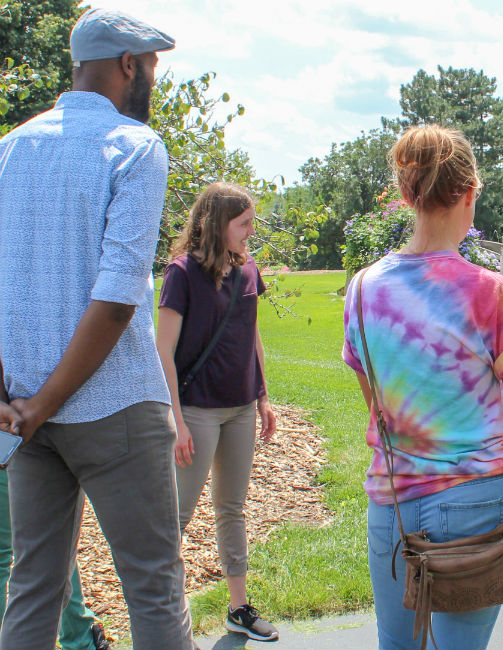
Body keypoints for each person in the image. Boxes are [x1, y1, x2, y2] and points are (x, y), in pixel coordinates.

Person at [0, 7, 194, 649]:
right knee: (154, 589)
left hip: (25, 408)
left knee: (33, 589)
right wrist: (43, 405)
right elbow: (116, 301)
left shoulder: (10, 148)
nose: (152, 81)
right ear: (127, 65)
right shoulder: (135, 147)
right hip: (113, 407)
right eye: (152, 67)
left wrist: (14, 404)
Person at [342, 124, 503, 650]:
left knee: (398, 644)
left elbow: (381, 413)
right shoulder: (492, 292)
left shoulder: (363, 289)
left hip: (393, 500)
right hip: (477, 500)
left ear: (406, 195)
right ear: (470, 194)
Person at [156, 182, 280, 642]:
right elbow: (163, 351)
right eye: (244, 223)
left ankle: (238, 608)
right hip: (197, 412)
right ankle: (165, 616)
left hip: (241, 409)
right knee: (177, 517)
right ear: (216, 224)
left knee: (232, 509)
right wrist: (178, 420)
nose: (251, 232)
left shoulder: (248, 271)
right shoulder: (181, 273)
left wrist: (263, 397)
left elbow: (253, 337)